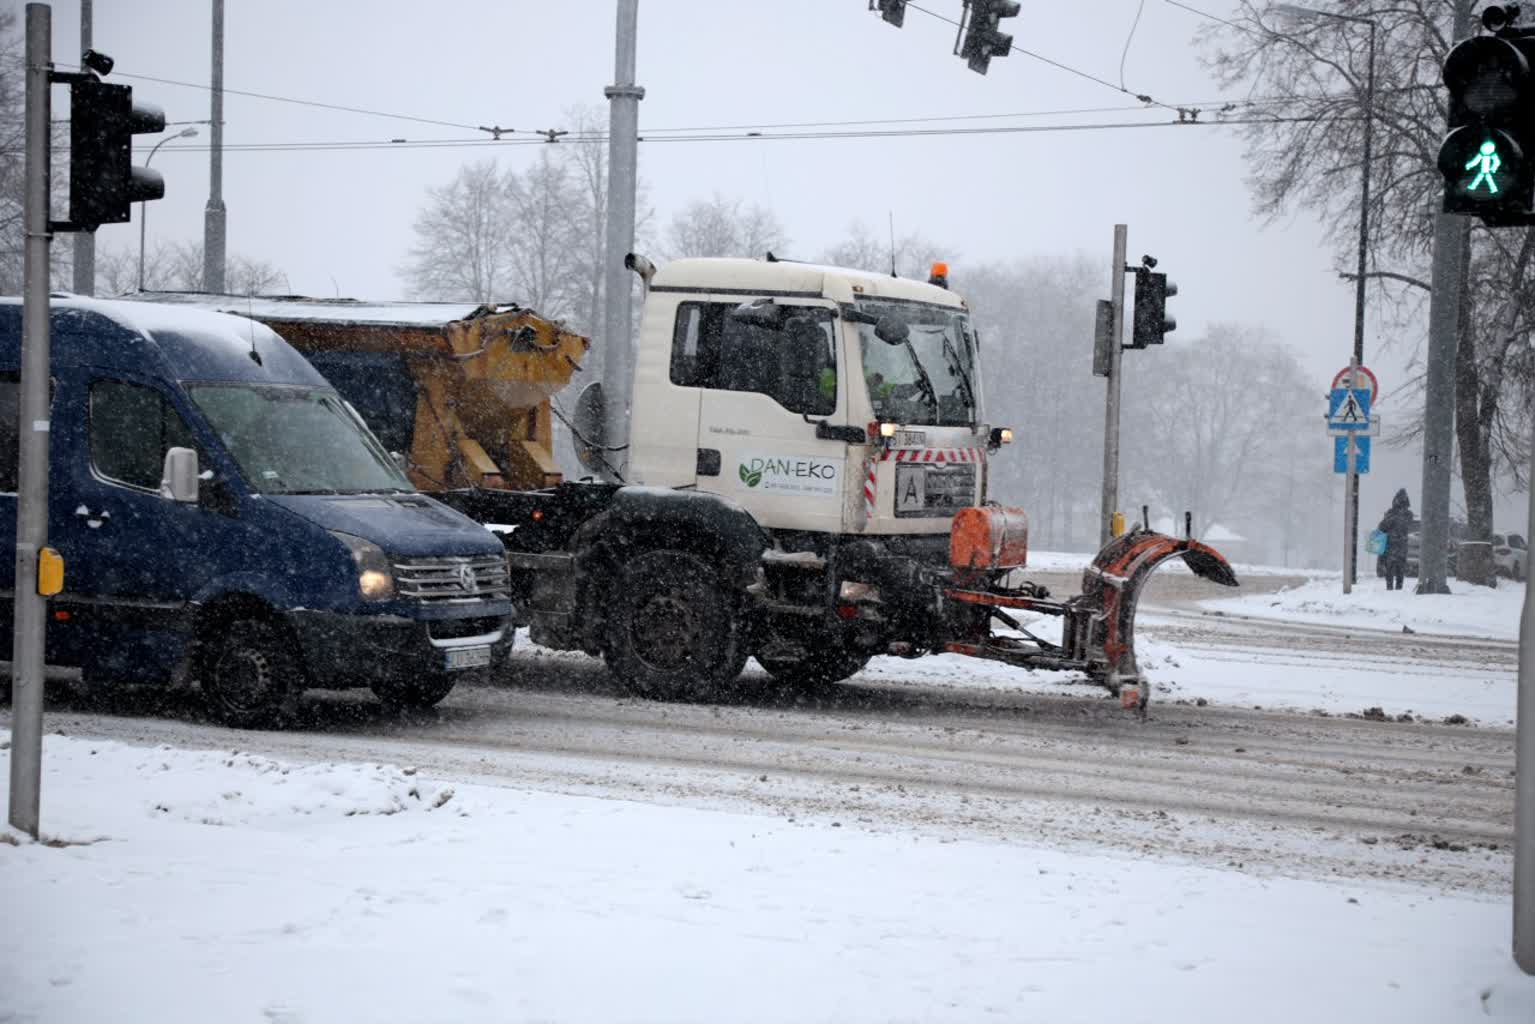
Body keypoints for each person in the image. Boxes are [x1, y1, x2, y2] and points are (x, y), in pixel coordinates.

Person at [1378, 489, 1413, 591]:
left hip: (1392, 546)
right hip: (1400, 546)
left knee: (1391, 568)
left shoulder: (1392, 514)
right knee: (1399, 569)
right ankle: (1398, 588)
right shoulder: (1408, 515)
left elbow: (1382, 527)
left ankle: (1391, 588)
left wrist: (1390, 518)